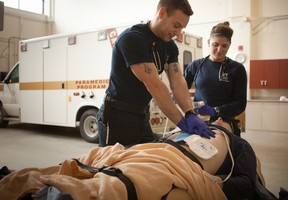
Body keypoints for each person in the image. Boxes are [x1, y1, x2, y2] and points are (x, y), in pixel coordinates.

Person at [0, 118, 280, 200]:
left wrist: (212, 186)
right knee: (105, 159)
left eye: (221, 120)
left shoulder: (237, 144)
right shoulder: (186, 129)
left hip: (177, 162)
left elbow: (244, 182)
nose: (216, 119)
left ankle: (65, 193)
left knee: (125, 183)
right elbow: (156, 142)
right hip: (154, 150)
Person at [96, 0, 215, 147]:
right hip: (118, 115)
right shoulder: (133, 38)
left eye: (182, 28)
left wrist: (189, 113)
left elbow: (177, 80)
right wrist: (181, 122)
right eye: (176, 25)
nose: (177, 33)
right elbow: (154, 85)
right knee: (114, 165)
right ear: (162, 13)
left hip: (141, 114)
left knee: (145, 162)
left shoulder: (169, 46)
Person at [184, 22, 247, 136]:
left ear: (229, 45)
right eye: (215, 44)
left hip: (225, 122)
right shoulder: (196, 66)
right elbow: (181, 90)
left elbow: (240, 104)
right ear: (208, 42)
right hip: (198, 121)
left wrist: (217, 110)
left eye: (224, 46)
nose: (219, 49)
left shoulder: (237, 69)